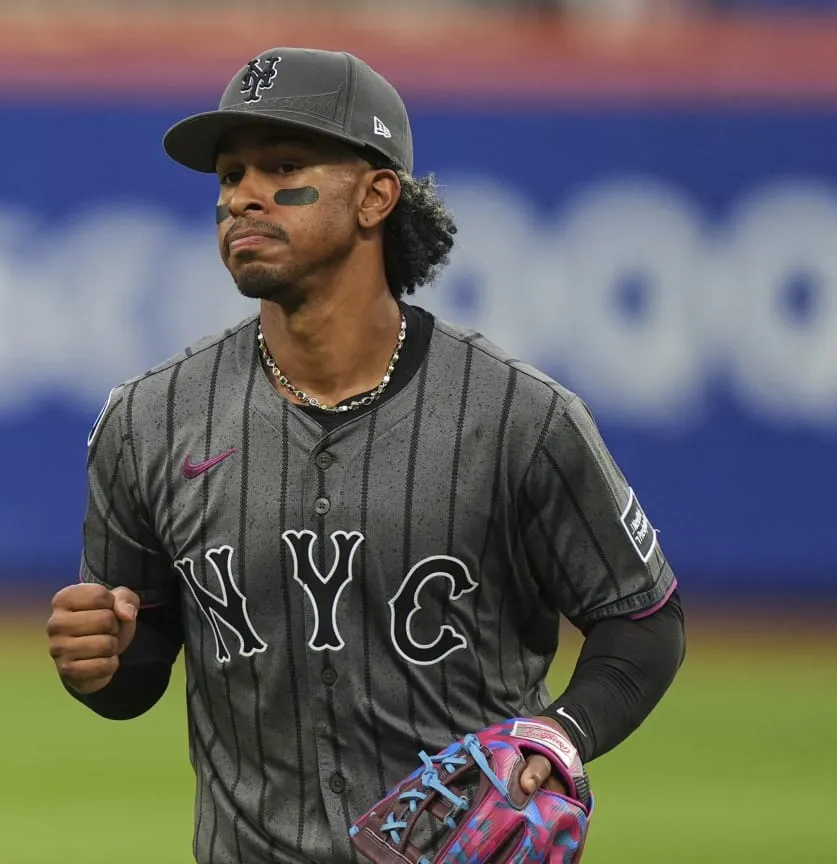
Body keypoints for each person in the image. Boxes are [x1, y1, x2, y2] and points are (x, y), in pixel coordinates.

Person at [45, 46, 687, 864]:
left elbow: (643, 620)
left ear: (377, 196)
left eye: (283, 166)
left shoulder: (518, 416)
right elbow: (138, 671)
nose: (244, 195)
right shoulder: (148, 421)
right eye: (230, 174)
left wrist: (562, 732)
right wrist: (97, 660)